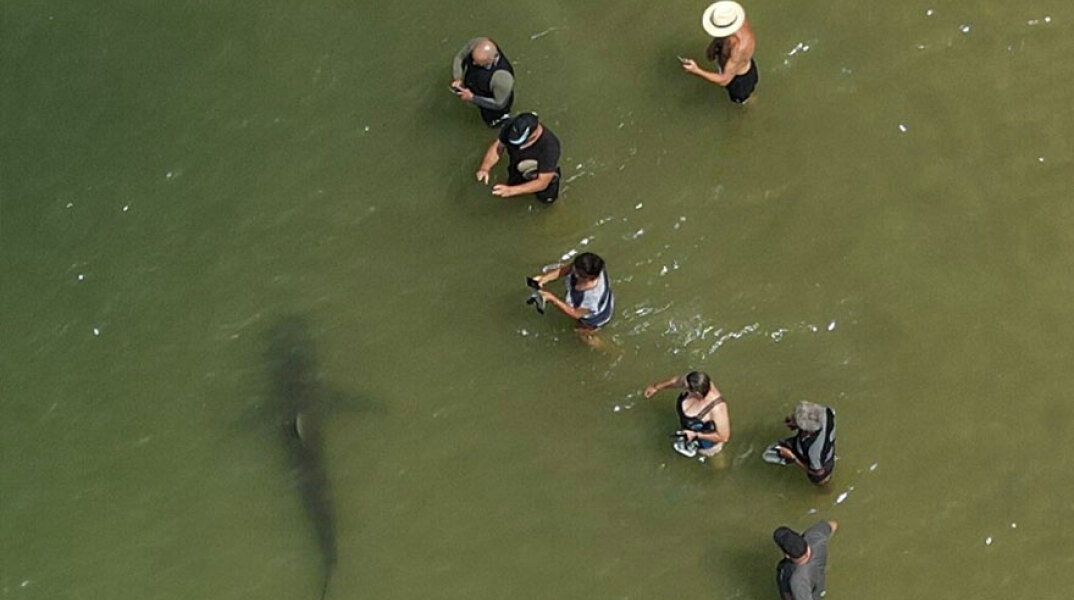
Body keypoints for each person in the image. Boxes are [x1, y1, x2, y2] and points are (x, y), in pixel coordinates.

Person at [680, 1, 758, 104]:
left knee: (745, 101)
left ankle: (751, 105)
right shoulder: (736, 19)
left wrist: (697, 70)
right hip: (730, 65)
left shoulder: (739, 48)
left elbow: (724, 80)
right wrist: (715, 44)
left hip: (738, 80)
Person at [475, 113, 562, 203]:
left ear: (534, 133)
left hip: (542, 175)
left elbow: (542, 182)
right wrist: (485, 168)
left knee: (546, 199)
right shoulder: (511, 126)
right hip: (518, 166)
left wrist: (511, 191)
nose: (519, 146)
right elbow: (498, 146)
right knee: (512, 192)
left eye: (521, 141)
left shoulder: (550, 147)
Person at [643, 371, 730, 457]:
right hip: (687, 429)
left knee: (718, 465)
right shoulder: (695, 380)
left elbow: (723, 437)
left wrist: (696, 435)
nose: (682, 386)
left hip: (705, 444)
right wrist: (656, 387)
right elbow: (676, 381)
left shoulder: (717, 408)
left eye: (685, 387)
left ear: (697, 393)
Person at [528, 253, 613, 338]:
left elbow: (575, 313)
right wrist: (544, 279)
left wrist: (552, 298)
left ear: (592, 277)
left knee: (583, 334)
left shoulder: (591, 298)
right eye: (575, 269)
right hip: (587, 300)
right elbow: (568, 268)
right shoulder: (588, 268)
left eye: (580, 275)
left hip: (596, 317)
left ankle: (606, 348)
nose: (575, 274)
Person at [762, 401, 836, 485]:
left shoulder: (813, 451)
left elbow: (818, 473)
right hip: (820, 449)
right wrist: (795, 423)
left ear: (808, 431)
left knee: (768, 455)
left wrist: (793, 458)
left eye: (795, 419)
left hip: (819, 469)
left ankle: (825, 488)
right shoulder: (826, 412)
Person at [450, 37, 515, 127]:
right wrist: (458, 78)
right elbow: (459, 57)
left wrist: (473, 98)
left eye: (479, 63)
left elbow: (499, 104)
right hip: (475, 87)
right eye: (473, 59)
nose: (473, 64)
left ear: (492, 59)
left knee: (494, 121)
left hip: (493, 103)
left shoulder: (502, 78)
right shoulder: (477, 44)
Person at [773, 521, 838, 600]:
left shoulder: (796, 580)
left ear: (787, 555)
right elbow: (833, 525)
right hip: (819, 584)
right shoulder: (816, 537)